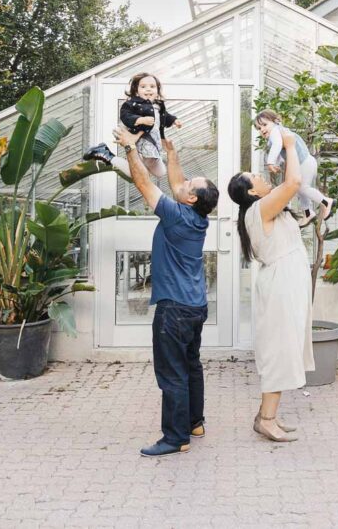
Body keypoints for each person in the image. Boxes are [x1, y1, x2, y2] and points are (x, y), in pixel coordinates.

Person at [113, 125, 220, 458]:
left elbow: (145, 184)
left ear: (191, 199)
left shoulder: (176, 215)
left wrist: (130, 148)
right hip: (194, 307)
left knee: (172, 373)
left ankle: (175, 438)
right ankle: (194, 423)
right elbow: (176, 184)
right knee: (191, 365)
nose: (184, 182)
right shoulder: (194, 216)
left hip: (173, 310)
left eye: (190, 185)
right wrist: (172, 154)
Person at [227, 127, 315, 443]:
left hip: (287, 280)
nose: (263, 178)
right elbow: (293, 183)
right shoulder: (259, 208)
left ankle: (266, 415)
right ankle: (267, 419)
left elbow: (292, 226)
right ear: (252, 192)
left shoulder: (265, 210)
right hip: (281, 284)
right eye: (256, 177)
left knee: (285, 345)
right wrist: (290, 146)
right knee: (279, 349)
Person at [84, 73, 180, 178]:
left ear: (157, 90)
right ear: (136, 91)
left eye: (152, 87)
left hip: (154, 145)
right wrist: (140, 119)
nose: (148, 89)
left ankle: (114, 156)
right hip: (141, 141)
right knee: (137, 174)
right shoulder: (132, 104)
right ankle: (107, 155)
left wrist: (174, 120)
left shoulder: (158, 106)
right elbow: (125, 115)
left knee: (161, 172)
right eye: (143, 87)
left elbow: (164, 116)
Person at [254, 109, 333, 227]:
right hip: (306, 162)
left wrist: (271, 162)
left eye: (265, 125)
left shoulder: (276, 132)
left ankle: (326, 202)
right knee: (300, 189)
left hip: (304, 162)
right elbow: (282, 153)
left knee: (302, 188)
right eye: (259, 128)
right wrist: (277, 163)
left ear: (275, 121)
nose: (262, 130)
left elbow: (277, 146)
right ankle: (307, 212)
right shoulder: (280, 133)